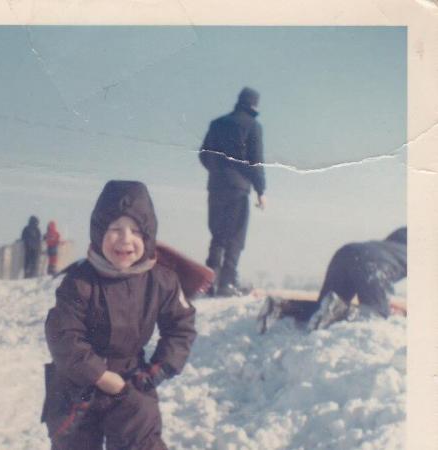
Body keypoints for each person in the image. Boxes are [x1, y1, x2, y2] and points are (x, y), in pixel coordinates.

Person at [42, 180, 197, 450]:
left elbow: (180, 327)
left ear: (148, 236)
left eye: (136, 230)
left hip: (132, 380)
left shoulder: (161, 280)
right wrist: (99, 375)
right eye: (115, 229)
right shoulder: (79, 280)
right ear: (99, 231)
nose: (125, 239)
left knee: (141, 438)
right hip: (76, 384)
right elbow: (63, 335)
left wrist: (156, 370)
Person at [257, 227, 407, 333]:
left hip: (347, 252)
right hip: (373, 265)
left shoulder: (395, 243)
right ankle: (340, 310)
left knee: (322, 306)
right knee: (375, 315)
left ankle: (281, 306)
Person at [199, 87, 266, 297]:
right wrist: (260, 190)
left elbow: (203, 155)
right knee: (235, 235)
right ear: (254, 105)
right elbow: (256, 161)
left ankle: (209, 282)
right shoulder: (253, 126)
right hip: (238, 188)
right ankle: (227, 283)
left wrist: (218, 172)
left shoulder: (217, 123)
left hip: (216, 186)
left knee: (217, 234)